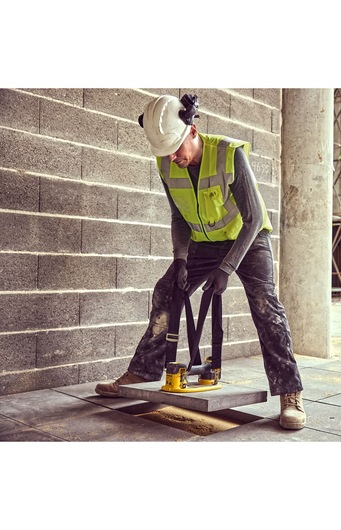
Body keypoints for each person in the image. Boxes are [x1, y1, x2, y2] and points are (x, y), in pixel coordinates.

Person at [95, 93, 306, 430]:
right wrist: (180, 259)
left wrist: (227, 268)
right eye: (164, 151)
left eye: (176, 147)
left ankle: (290, 393)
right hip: (203, 242)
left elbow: (252, 219)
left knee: (266, 306)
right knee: (166, 291)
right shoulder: (168, 161)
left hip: (246, 239)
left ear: (192, 130)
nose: (172, 157)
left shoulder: (229, 155)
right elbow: (179, 217)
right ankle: (141, 372)